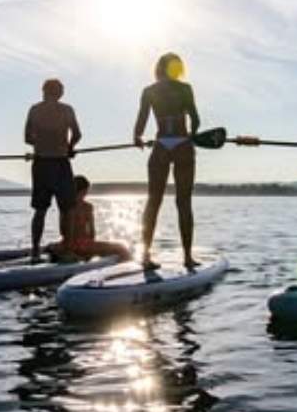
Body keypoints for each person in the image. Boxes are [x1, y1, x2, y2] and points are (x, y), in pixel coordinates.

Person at [134, 52, 201, 270]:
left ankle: (145, 257)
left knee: (153, 201)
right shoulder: (185, 89)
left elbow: (142, 121)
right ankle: (188, 258)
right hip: (182, 145)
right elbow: (196, 119)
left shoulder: (149, 91)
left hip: (161, 145)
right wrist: (193, 134)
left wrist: (137, 138)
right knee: (184, 203)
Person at [25, 78, 81, 262]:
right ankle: (68, 249)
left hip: (41, 163)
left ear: (44, 91)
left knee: (40, 210)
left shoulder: (34, 110)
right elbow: (78, 134)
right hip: (60, 162)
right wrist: (69, 147)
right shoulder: (67, 110)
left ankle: (34, 251)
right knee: (68, 209)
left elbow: (27, 137)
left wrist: (42, 143)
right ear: (59, 93)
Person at [49, 175, 131, 262]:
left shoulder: (65, 207)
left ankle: (70, 253)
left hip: (67, 244)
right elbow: (92, 232)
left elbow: (62, 230)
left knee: (54, 247)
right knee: (122, 248)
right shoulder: (87, 207)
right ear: (84, 191)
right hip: (82, 245)